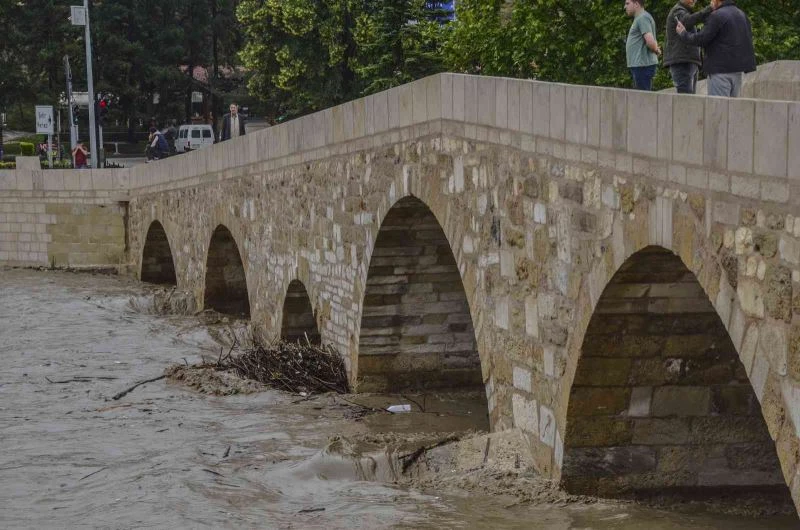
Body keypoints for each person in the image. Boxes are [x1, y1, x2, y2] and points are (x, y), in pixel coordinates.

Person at [676, 0, 756, 97]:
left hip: (720, 71)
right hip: (738, 71)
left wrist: (683, 34)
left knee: (718, 109)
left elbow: (702, 39)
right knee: (733, 109)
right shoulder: (742, 14)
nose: (711, 2)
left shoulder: (717, 15)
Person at [665, 0, 712, 93]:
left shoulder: (684, 11)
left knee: (690, 100)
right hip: (682, 62)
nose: (694, 0)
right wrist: (709, 9)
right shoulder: (678, 11)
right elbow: (687, 21)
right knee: (685, 101)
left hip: (689, 61)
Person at [624, 0, 662, 91]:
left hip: (642, 66)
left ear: (636, 4)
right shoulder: (640, 18)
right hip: (640, 65)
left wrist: (656, 49)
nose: (625, 7)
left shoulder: (642, 18)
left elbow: (650, 40)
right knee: (642, 98)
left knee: (643, 100)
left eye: (627, 3)